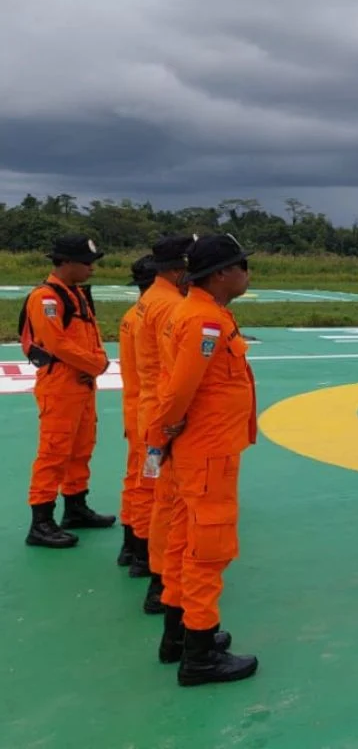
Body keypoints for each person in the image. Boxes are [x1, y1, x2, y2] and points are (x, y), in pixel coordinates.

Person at [146, 233, 254, 685]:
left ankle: (179, 636)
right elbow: (178, 392)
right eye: (243, 265)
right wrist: (165, 431)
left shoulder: (201, 314)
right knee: (207, 551)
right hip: (207, 451)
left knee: (181, 544)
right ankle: (201, 654)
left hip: (198, 448)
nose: (248, 273)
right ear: (222, 273)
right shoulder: (204, 323)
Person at [18, 235, 114, 548]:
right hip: (61, 385)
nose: (92, 269)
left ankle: (75, 506)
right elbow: (56, 343)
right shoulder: (46, 297)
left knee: (81, 448)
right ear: (66, 262)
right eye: (86, 263)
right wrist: (96, 363)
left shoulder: (75, 294)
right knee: (54, 452)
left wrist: (94, 363)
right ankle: (41, 521)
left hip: (82, 384)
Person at [136, 234, 195, 615]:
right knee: (171, 503)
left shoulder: (150, 301)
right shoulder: (171, 307)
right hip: (167, 420)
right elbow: (177, 373)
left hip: (150, 410)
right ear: (180, 268)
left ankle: (156, 572)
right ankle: (163, 583)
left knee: (160, 499)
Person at [116, 254, 158, 575]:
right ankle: (145, 554)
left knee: (135, 478)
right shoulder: (153, 317)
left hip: (135, 411)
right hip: (149, 415)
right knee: (149, 483)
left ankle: (131, 544)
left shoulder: (134, 314)